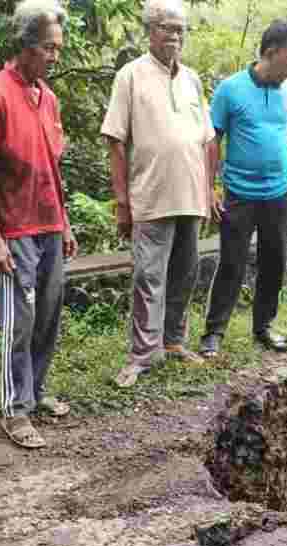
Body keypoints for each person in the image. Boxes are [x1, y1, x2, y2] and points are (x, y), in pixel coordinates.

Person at [0, 0, 78, 449]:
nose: (55, 57)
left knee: (49, 315)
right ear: (27, 45)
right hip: (14, 231)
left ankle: (35, 391)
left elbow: (51, 168)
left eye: (57, 49)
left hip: (49, 224)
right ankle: (15, 410)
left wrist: (66, 224)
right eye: (49, 49)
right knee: (21, 320)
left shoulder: (48, 98)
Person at [102, 0, 216, 388]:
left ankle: (173, 342)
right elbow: (115, 141)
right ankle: (141, 355)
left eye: (180, 29)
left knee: (185, 273)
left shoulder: (193, 79)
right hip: (149, 196)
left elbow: (206, 140)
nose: (175, 35)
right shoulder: (130, 76)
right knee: (149, 277)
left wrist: (208, 190)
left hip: (190, 197)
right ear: (150, 30)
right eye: (168, 27)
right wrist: (122, 201)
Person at [199, 19, 287, 358]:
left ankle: (264, 326)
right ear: (271, 53)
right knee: (231, 262)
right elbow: (212, 139)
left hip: (280, 192)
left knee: (274, 261)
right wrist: (210, 186)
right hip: (239, 192)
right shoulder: (230, 90)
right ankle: (214, 332)